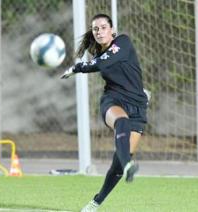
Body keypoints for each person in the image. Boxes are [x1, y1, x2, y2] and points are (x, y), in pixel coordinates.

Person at [61, 13, 149, 212]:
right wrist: (80, 67)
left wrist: (76, 68)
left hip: (137, 106)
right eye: (95, 29)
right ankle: (129, 165)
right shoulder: (99, 56)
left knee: (116, 166)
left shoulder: (122, 42)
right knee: (121, 122)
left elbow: (101, 63)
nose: (99, 31)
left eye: (102, 27)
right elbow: (100, 63)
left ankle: (97, 201)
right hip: (113, 100)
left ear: (112, 30)